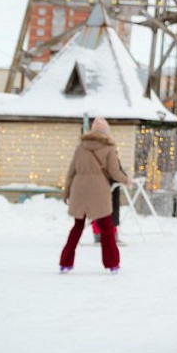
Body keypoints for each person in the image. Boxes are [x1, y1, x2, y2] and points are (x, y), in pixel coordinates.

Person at [59, 117, 130, 273]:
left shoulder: (81, 147)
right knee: (106, 227)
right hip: (99, 191)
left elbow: (71, 171)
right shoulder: (109, 148)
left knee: (77, 227)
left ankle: (65, 262)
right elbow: (114, 172)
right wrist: (126, 180)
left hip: (79, 190)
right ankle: (112, 263)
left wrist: (66, 192)